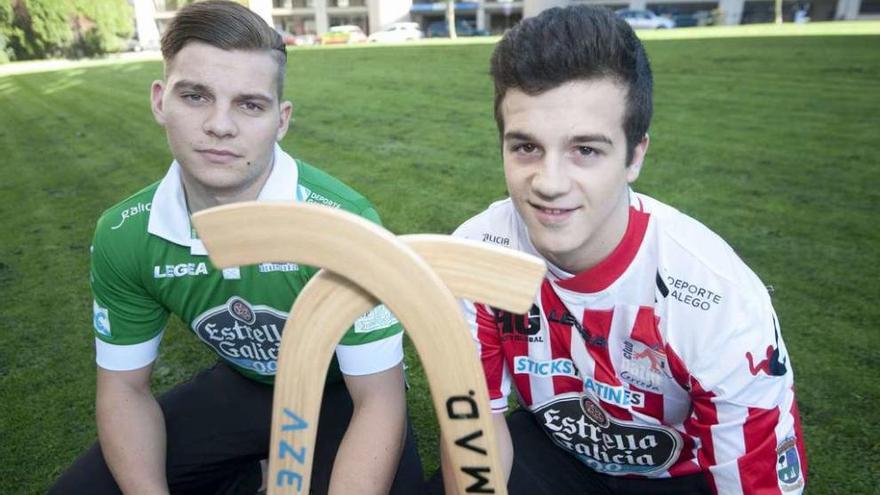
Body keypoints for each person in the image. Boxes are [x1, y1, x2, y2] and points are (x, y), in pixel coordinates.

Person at [49, 1, 421, 494]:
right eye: (196, 96)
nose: (220, 125)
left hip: (342, 393)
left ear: (281, 120)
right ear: (160, 100)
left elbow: (379, 398)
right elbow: (124, 390)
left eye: (249, 104)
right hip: (243, 386)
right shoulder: (125, 234)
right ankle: (252, 473)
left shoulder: (343, 224)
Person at [437, 5, 807, 495]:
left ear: (635, 155)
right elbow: (476, 428)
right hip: (557, 454)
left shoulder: (719, 301)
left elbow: (752, 483)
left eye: (585, 150)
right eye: (525, 147)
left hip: (683, 477)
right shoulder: (476, 254)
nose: (549, 183)